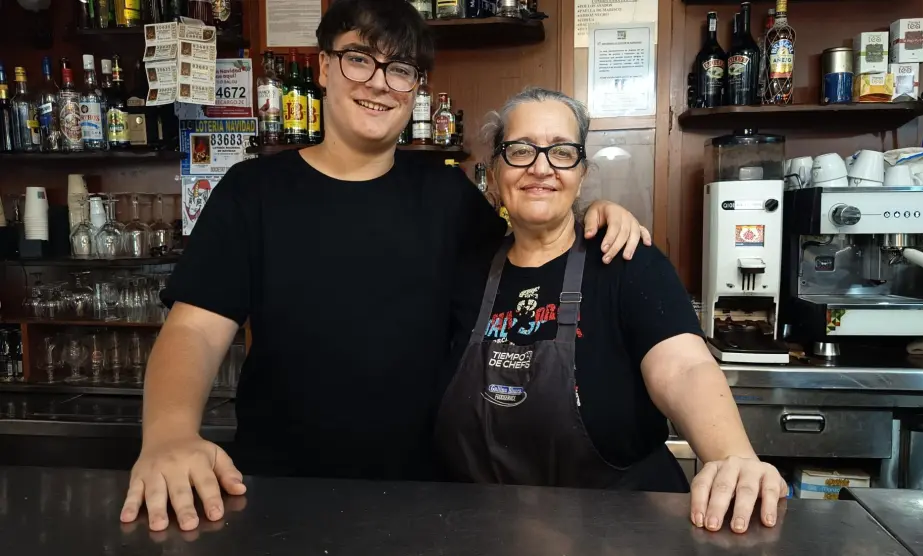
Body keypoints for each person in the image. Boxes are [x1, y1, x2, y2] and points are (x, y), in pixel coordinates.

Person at [119, 0, 649, 533]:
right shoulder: (253, 193)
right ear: (324, 67)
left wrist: (590, 216)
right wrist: (169, 435)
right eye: (359, 59)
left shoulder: (448, 197)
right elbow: (194, 330)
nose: (378, 83)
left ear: (414, 88)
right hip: (279, 492)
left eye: (399, 69)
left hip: (428, 498)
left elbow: (532, 255)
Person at [435, 88, 787, 534]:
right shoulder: (466, 271)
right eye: (520, 150)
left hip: (619, 534)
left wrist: (732, 455)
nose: (541, 166)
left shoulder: (624, 260)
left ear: (581, 174)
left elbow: (683, 368)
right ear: (496, 171)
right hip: (484, 533)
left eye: (562, 152)